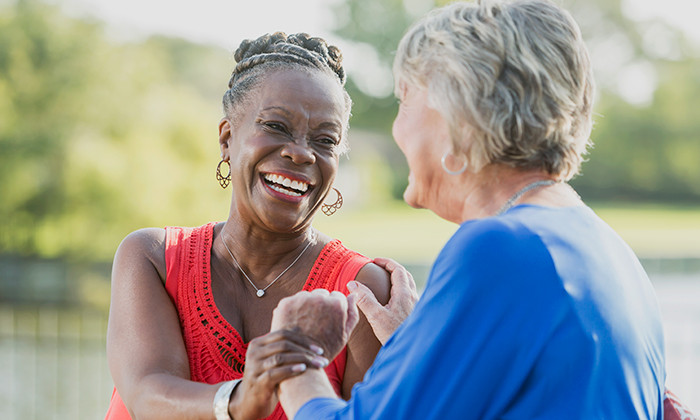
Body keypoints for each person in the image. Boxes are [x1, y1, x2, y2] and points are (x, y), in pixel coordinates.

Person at [268, 1, 671, 418]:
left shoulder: (503, 248)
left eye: (405, 101)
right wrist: (420, 346)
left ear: (457, 121)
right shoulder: (605, 247)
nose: (397, 128)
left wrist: (297, 355)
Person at [103, 32, 391, 420]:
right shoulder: (154, 258)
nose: (301, 152)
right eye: (276, 126)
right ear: (226, 138)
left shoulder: (362, 293)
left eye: (325, 140)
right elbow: (148, 395)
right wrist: (242, 399)